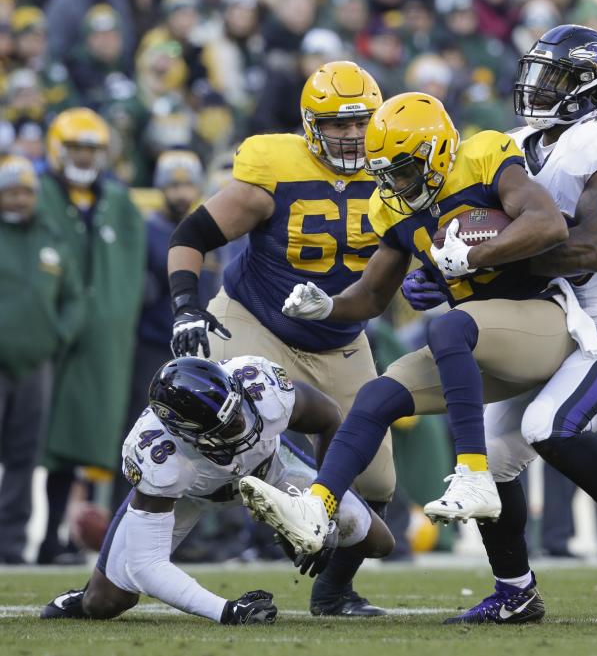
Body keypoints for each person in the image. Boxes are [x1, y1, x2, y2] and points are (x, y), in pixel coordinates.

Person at [238, 90, 580, 569]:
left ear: (436, 152)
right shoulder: (393, 206)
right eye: (384, 173)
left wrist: (476, 257)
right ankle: (317, 508)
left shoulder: (484, 156)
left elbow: (549, 226)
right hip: (477, 340)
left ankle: (473, 471)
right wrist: (328, 306)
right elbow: (373, 296)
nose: (393, 184)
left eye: (402, 170)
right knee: (378, 395)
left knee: (447, 328)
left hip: (541, 324)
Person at [427, 25, 597, 623]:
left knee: (551, 426)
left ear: (591, 89)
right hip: (555, 324)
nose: (537, 87)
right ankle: (515, 590)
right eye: (536, 73)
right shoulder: (515, 146)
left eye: (556, 78)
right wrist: (440, 271)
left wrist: (484, 255)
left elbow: (587, 250)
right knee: (485, 453)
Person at [165, 60, 396, 617]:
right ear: (309, 123)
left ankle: (333, 589)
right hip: (255, 319)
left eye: (359, 121)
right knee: (240, 427)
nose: (349, 135)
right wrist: (185, 307)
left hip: (341, 333)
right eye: (335, 123)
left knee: (376, 477)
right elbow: (192, 233)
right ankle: (135, 556)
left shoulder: (397, 168)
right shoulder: (277, 167)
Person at [41, 355, 393, 624]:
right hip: (188, 496)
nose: (241, 426)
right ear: (185, 432)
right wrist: (227, 611)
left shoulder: (262, 388)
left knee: (377, 541)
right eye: (224, 427)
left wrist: (320, 506)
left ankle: (331, 593)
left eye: (237, 412)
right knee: (104, 603)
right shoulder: (158, 454)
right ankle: (86, 590)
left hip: (271, 468)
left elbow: (329, 418)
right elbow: (147, 566)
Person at [38, 107, 146, 564]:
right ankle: (35, 537)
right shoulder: (38, 194)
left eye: (92, 148)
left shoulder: (116, 201)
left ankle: (55, 540)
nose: (84, 157)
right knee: (38, 443)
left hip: (102, 344)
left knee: (86, 442)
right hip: (44, 340)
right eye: (77, 147)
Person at [111, 150, 219, 512]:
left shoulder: (209, 231)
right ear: (159, 187)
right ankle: (123, 512)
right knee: (139, 433)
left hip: (197, 352)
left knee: (199, 440)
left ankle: (189, 528)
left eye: (187, 183)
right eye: (173, 184)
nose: (181, 192)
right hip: (154, 345)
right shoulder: (147, 231)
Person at [0, 155, 83, 564]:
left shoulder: (52, 240)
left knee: (23, 456)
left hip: (37, 366)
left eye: (26, 192)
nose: (19, 199)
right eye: (11, 192)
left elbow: (73, 299)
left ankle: (11, 544)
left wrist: (56, 336)